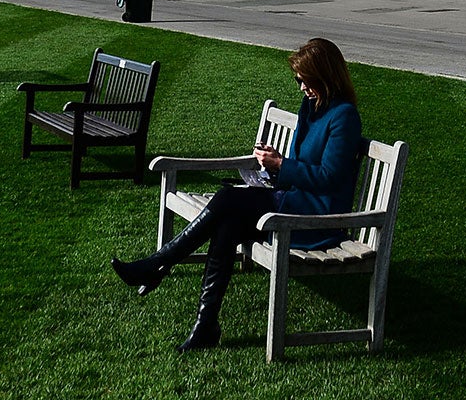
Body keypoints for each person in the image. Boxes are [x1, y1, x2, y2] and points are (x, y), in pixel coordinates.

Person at [110, 37, 362, 352]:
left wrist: (282, 164)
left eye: (305, 80)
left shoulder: (344, 116)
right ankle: (205, 326)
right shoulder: (311, 107)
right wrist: (274, 164)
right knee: (227, 225)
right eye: (298, 80)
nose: (301, 87)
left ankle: (157, 264)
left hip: (313, 215)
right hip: (290, 200)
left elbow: (329, 178)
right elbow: (301, 164)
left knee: (229, 199)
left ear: (325, 75)